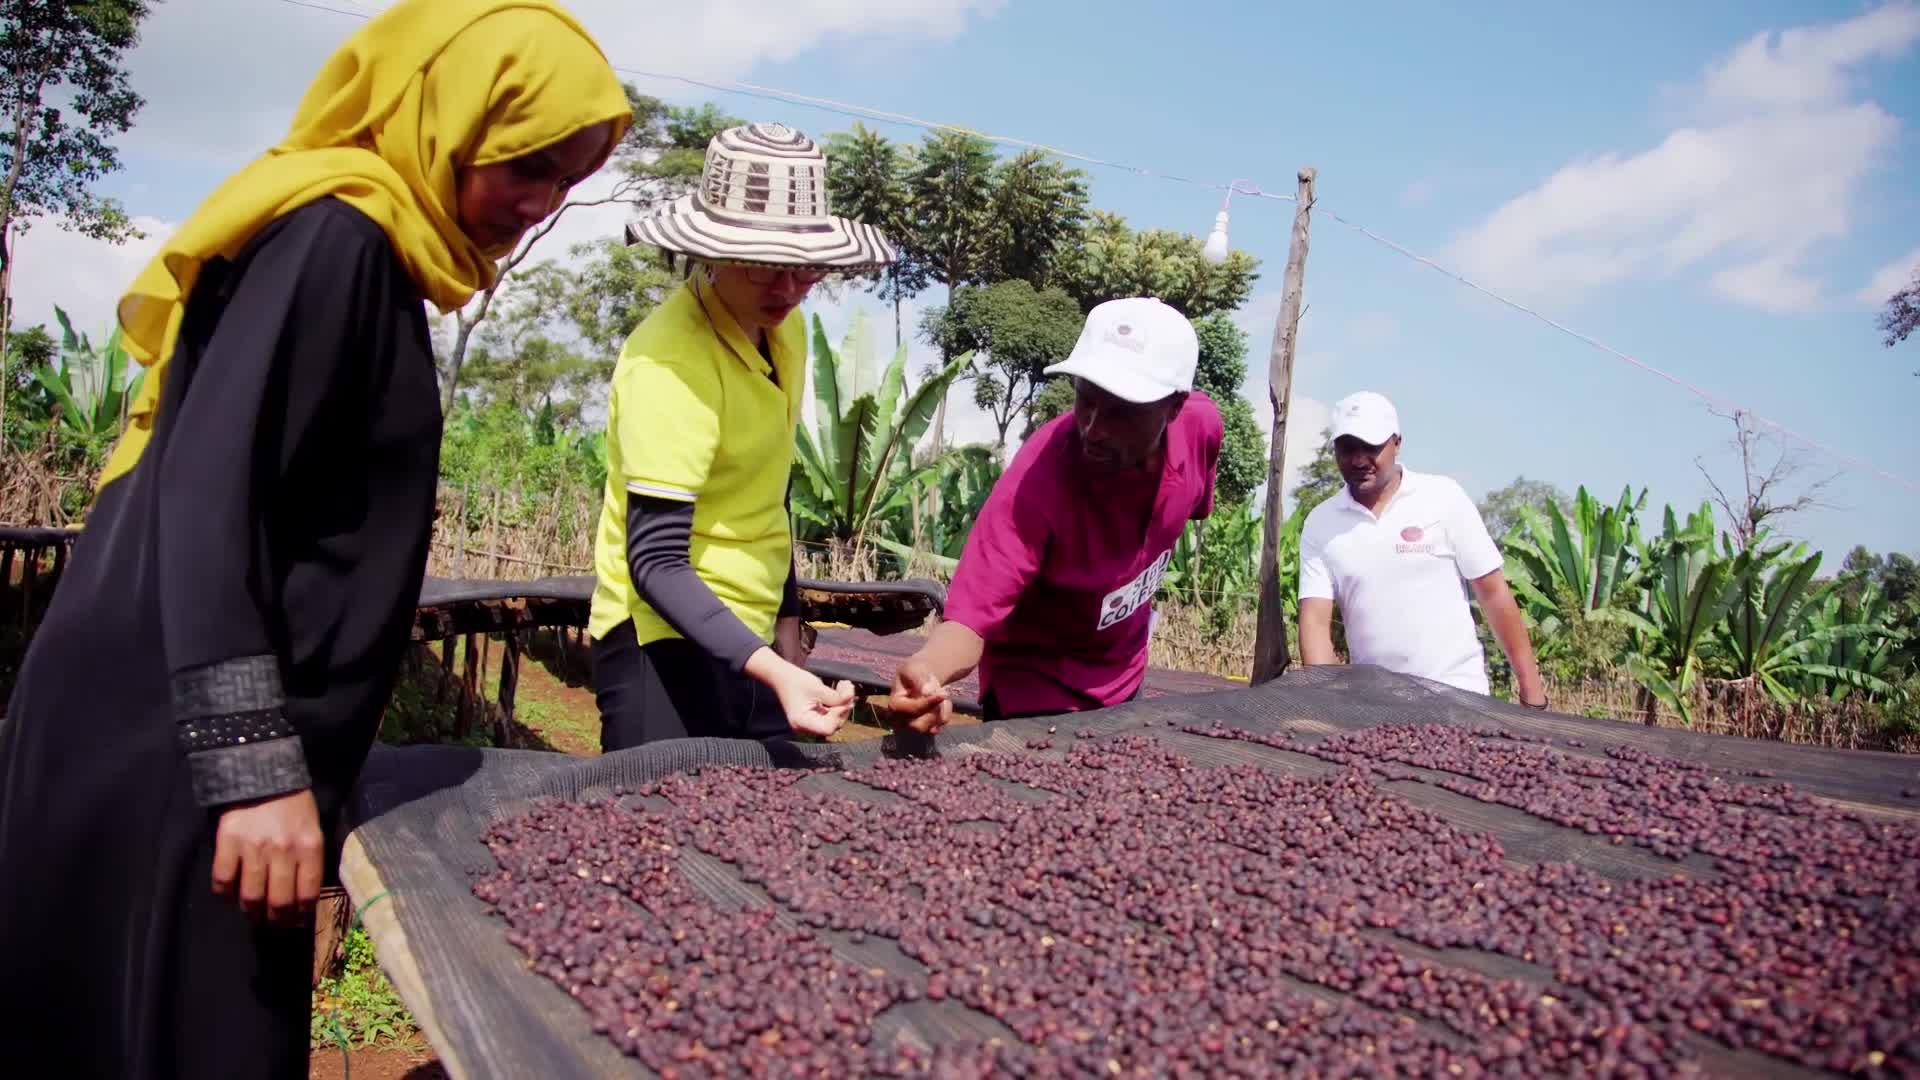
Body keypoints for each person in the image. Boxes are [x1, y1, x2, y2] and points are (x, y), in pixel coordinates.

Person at [0, 2, 631, 1075]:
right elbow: (209, 502)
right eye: (523, 164)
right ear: (444, 120)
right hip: (176, 749)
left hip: (179, 735)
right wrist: (254, 773)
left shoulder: (356, 248)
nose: (539, 205)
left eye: (567, 180)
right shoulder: (335, 241)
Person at [588, 122, 898, 751]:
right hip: (661, 637)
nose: (786, 289)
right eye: (763, 267)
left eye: (804, 269)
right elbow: (656, 562)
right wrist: (774, 670)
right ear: (712, 251)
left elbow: (770, 491)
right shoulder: (671, 362)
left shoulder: (784, 331)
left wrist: (787, 632)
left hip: (751, 637)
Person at [887, 297, 1223, 732]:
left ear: (1174, 407)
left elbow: (1190, 507)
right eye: (1085, 400)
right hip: (1034, 695)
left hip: (1125, 678)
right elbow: (969, 620)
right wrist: (925, 672)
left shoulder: (1201, 429)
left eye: (1121, 411)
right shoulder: (1035, 484)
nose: (1094, 429)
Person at [1297, 390, 1549, 706]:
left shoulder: (1443, 497)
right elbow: (1315, 622)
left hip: (1459, 697)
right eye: (1348, 448)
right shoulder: (1322, 522)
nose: (1359, 459)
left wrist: (1532, 689)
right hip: (1374, 706)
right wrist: (1328, 703)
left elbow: (1493, 593)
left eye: (1371, 447)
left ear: (1397, 443)